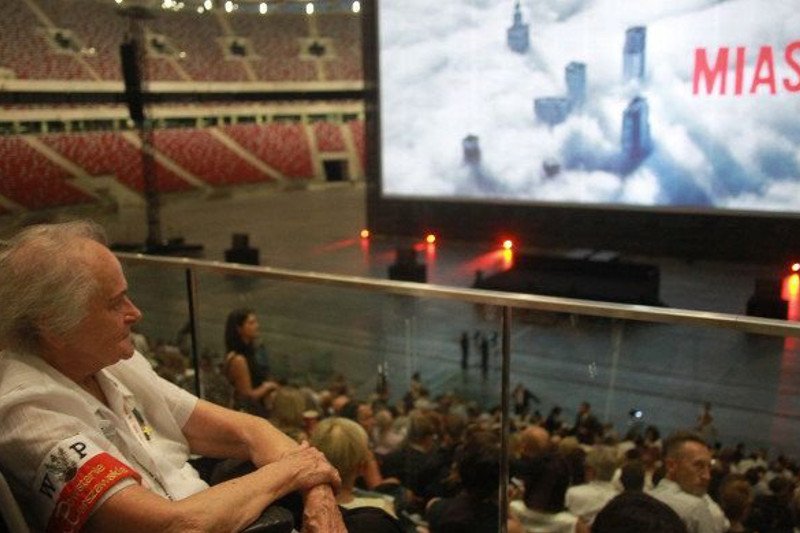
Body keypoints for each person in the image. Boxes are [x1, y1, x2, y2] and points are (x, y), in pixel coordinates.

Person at [0, 221, 346, 532]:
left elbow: (250, 431)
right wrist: (295, 470)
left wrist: (318, 496)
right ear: (53, 325)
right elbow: (175, 525)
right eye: (115, 303)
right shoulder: (29, 417)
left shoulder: (108, 360)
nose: (136, 313)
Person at [650, 431, 728, 533]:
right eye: (698, 466)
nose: (707, 476)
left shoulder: (643, 498)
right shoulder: (696, 509)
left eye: (709, 468)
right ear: (671, 466)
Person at [223, 308, 279, 416]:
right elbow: (247, 397)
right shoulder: (238, 360)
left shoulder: (251, 353)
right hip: (248, 415)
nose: (257, 326)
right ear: (239, 329)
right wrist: (268, 387)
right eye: (251, 323)